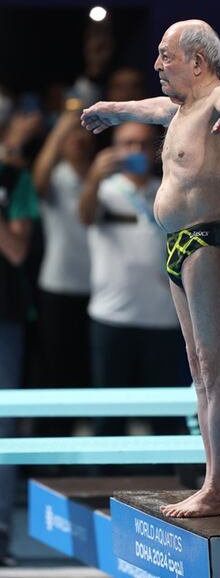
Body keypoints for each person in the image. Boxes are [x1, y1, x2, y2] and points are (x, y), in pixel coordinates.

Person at [81, 19, 220, 518]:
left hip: (210, 240)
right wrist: (111, 109)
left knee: (215, 368)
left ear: (197, 62)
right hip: (182, 243)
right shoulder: (182, 108)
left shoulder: (219, 98)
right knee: (199, 370)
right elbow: (149, 107)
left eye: (165, 55)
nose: (157, 64)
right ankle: (212, 481)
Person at [78, 122, 188, 436]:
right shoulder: (103, 189)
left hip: (164, 317)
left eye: (142, 144)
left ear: (155, 150)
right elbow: (84, 217)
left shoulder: (169, 190)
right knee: (108, 417)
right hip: (111, 315)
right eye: (127, 143)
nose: (135, 150)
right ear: (115, 148)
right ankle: (103, 469)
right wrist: (93, 178)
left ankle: (170, 470)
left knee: (165, 418)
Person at [31, 101, 96, 424]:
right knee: (58, 366)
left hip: (98, 287)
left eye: (82, 133)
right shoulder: (55, 177)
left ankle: (86, 434)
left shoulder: (102, 174)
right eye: (71, 135)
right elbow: (37, 179)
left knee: (89, 367)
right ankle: (54, 434)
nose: (78, 139)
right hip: (58, 285)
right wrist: (64, 124)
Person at [0, 138, 38, 565]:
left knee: (2, 426)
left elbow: (16, 249)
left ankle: (1, 530)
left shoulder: (15, 179)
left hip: (4, 317)